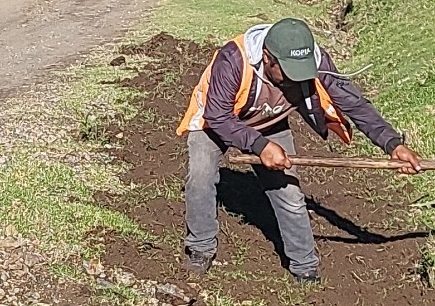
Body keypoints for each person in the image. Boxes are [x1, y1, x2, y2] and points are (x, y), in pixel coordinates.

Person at [176, 16, 418, 282]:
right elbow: (217, 115)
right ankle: (200, 247)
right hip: (215, 120)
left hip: (268, 122)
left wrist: (392, 144)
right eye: (289, 73)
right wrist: (259, 145)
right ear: (267, 58)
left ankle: (304, 266)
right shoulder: (234, 59)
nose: (297, 80)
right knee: (200, 175)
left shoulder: (314, 60)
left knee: (289, 194)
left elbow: (354, 104)